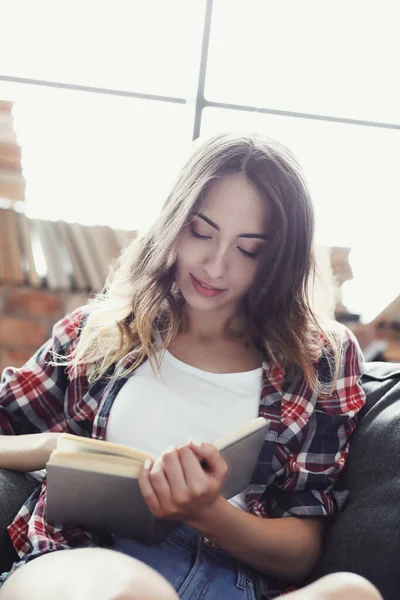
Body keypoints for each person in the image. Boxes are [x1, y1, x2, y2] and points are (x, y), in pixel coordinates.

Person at [0, 132, 382, 600]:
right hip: (87, 562)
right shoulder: (97, 333)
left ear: (279, 259)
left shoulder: (320, 359)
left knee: (352, 592)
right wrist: (51, 445)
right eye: (201, 232)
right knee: (129, 591)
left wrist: (205, 512)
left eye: (249, 250)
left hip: (230, 579)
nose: (215, 266)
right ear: (173, 223)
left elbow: (301, 551)